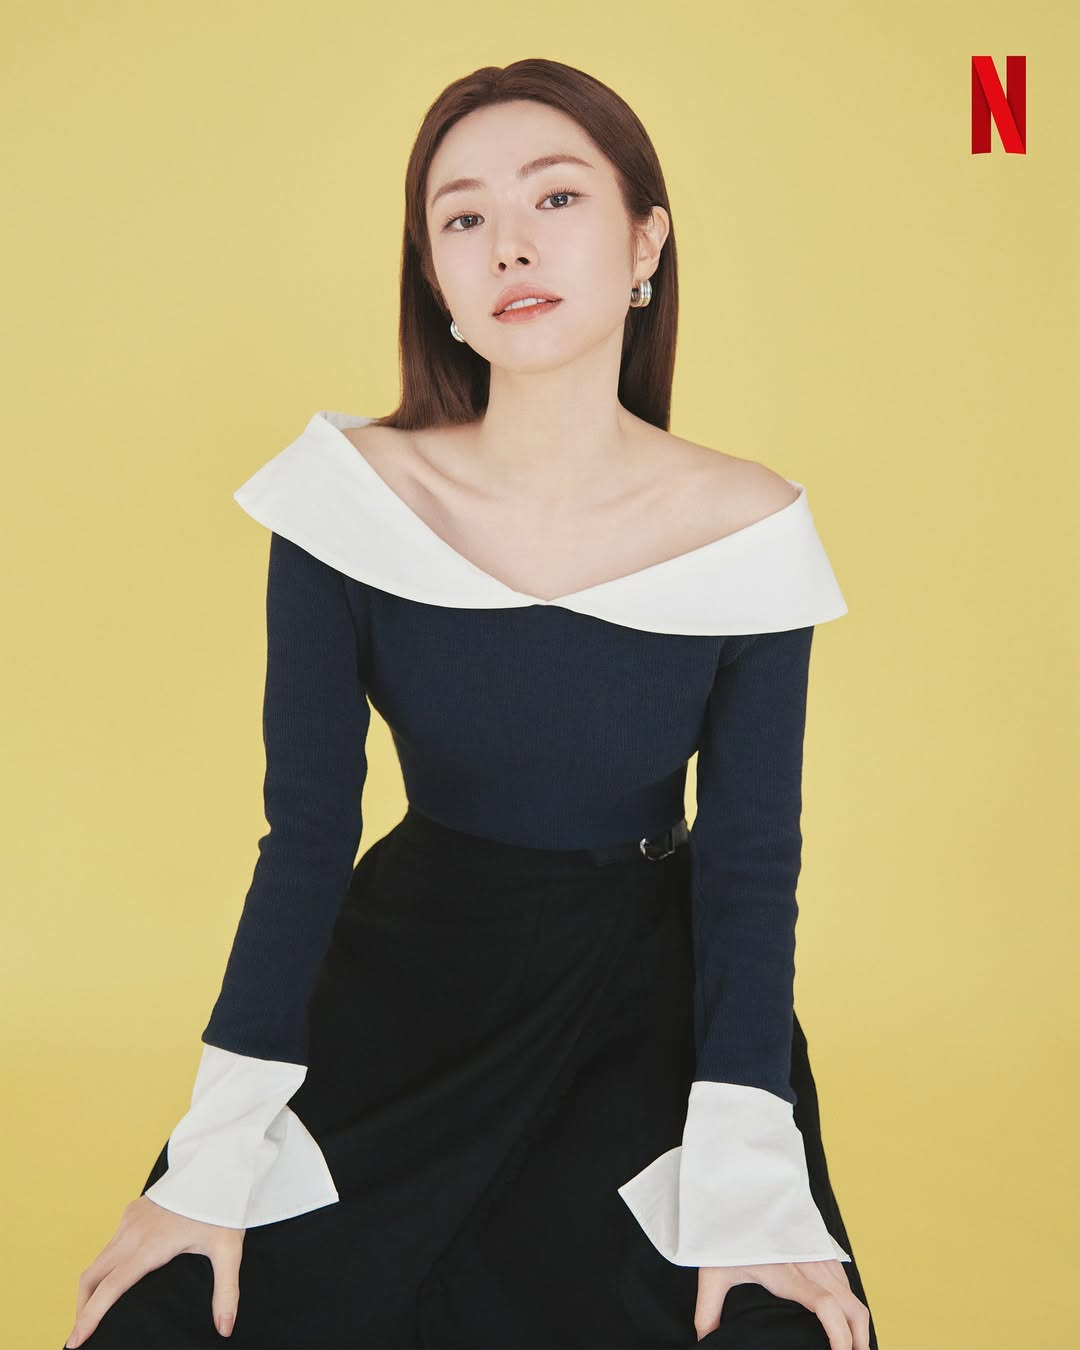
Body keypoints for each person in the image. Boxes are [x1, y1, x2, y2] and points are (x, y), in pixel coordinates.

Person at [64, 57, 878, 1350]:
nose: (510, 244)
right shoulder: (345, 496)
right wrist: (208, 1158)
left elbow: (746, 864)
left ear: (645, 242)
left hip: (652, 1000)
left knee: (762, 1326)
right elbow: (306, 831)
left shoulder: (751, 524)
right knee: (164, 1315)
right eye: (463, 217)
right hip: (404, 976)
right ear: (435, 276)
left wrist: (750, 1174)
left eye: (556, 198)